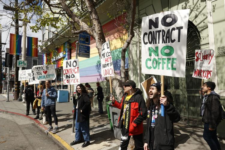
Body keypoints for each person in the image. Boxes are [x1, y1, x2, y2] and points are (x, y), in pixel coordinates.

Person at [111, 80, 147, 150]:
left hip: (136, 127)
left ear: (130, 87)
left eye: (125, 86)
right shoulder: (125, 96)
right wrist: (114, 102)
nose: (123, 87)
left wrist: (134, 124)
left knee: (139, 147)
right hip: (125, 126)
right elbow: (121, 107)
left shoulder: (139, 97)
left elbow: (143, 113)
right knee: (123, 146)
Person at [144, 82, 180, 150]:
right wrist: (146, 141)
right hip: (152, 144)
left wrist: (168, 106)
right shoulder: (150, 107)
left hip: (164, 145)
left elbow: (177, 118)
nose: (150, 90)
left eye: (153, 89)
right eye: (149, 89)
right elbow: (148, 126)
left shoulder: (165, 106)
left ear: (159, 92)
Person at [201, 81, 221, 150]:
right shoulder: (208, 96)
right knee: (213, 137)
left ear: (209, 88)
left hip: (210, 121)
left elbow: (215, 112)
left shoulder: (213, 97)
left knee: (207, 137)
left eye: (204, 86)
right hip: (208, 120)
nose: (202, 87)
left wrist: (212, 125)